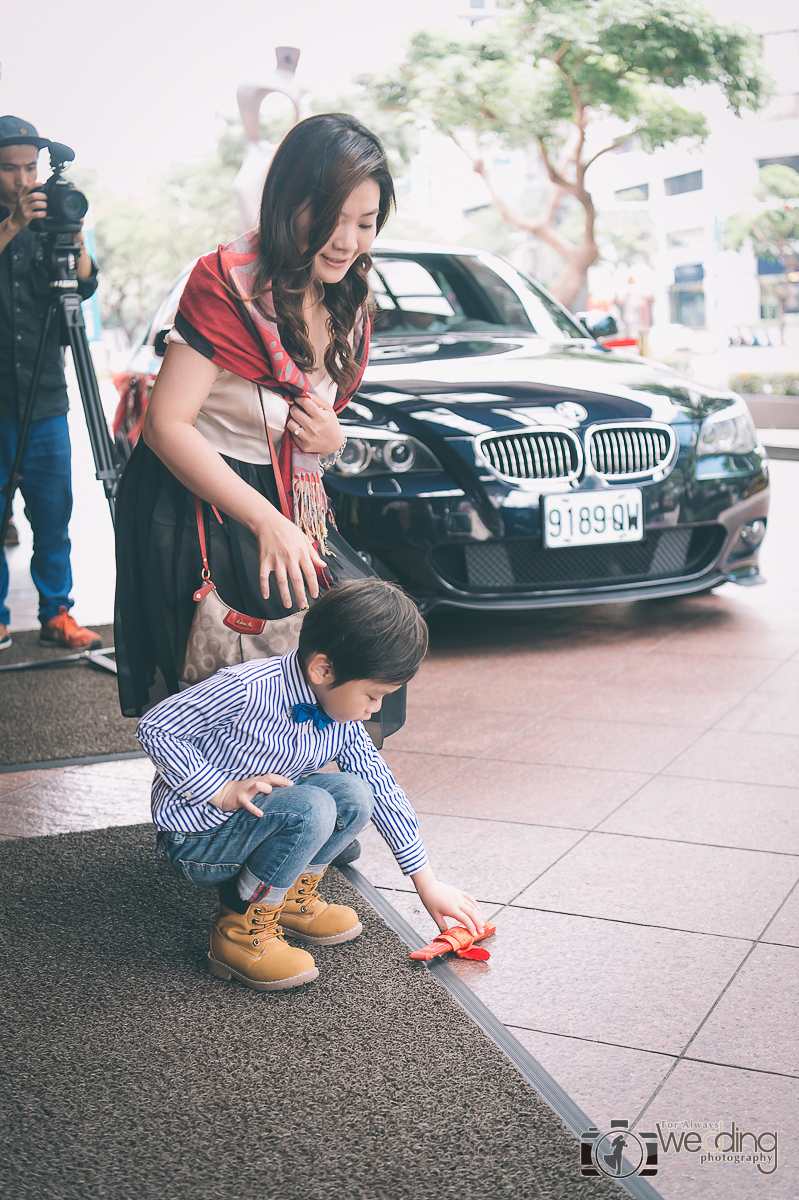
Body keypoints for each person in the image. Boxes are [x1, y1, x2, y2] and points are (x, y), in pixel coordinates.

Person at [113, 113, 402, 744]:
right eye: (332, 215)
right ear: (287, 202)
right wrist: (267, 521)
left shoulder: (350, 295)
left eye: (366, 221)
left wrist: (334, 440)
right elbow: (166, 425)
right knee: (227, 666)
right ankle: (215, 810)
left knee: (360, 642)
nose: (348, 240)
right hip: (197, 490)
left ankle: (309, 791)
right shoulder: (225, 283)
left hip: (288, 493)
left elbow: (316, 417)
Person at [137, 579, 486, 991]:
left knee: (357, 793)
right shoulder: (248, 688)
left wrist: (426, 883)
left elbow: (384, 788)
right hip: (200, 837)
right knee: (313, 806)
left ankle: (286, 900)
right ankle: (239, 931)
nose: (374, 710)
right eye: (372, 696)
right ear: (322, 669)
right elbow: (156, 728)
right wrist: (221, 790)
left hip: (258, 821)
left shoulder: (342, 719)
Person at [0, 115, 103, 652]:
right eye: (10, 169)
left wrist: (75, 239)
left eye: (30, 167)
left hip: (45, 398)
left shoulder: (50, 218)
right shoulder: (15, 221)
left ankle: (56, 613)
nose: (24, 179)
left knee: (53, 514)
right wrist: (13, 224)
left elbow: (83, 286)